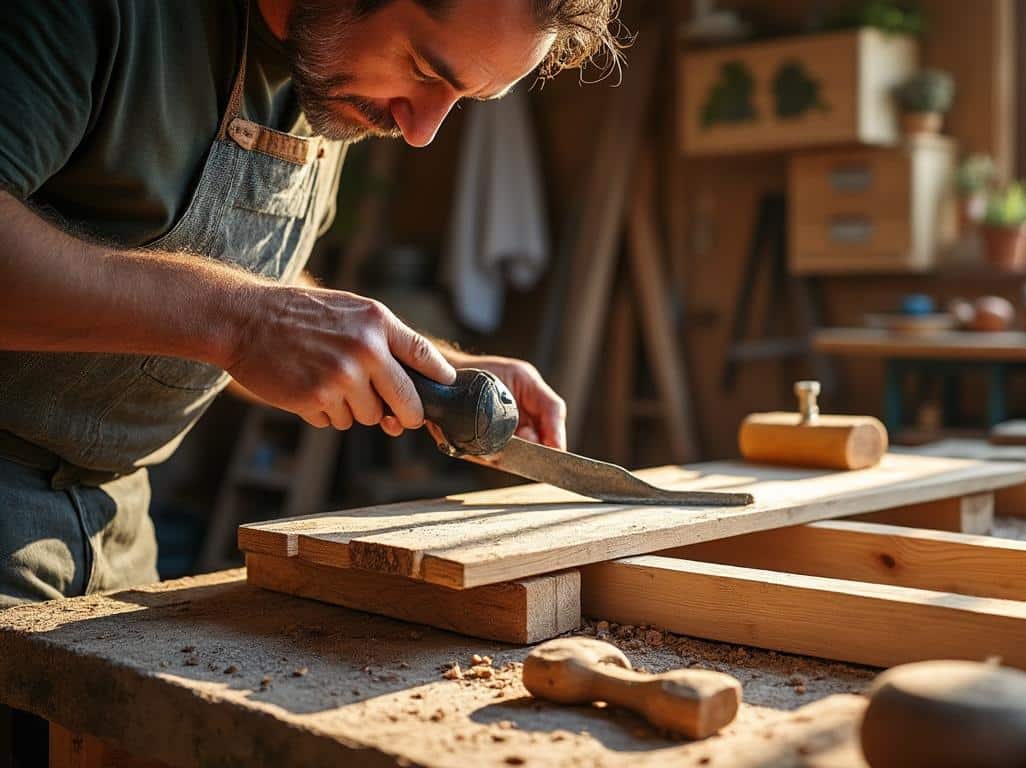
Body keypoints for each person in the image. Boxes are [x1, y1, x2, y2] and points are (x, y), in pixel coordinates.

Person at [0, 0, 620, 607]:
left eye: (464, 100)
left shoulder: (329, 70)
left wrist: (436, 374)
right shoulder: (94, 16)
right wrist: (241, 323)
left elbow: (255, 295)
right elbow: (243, 311)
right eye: (425, 70)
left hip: (120, 523)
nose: (421, 130)